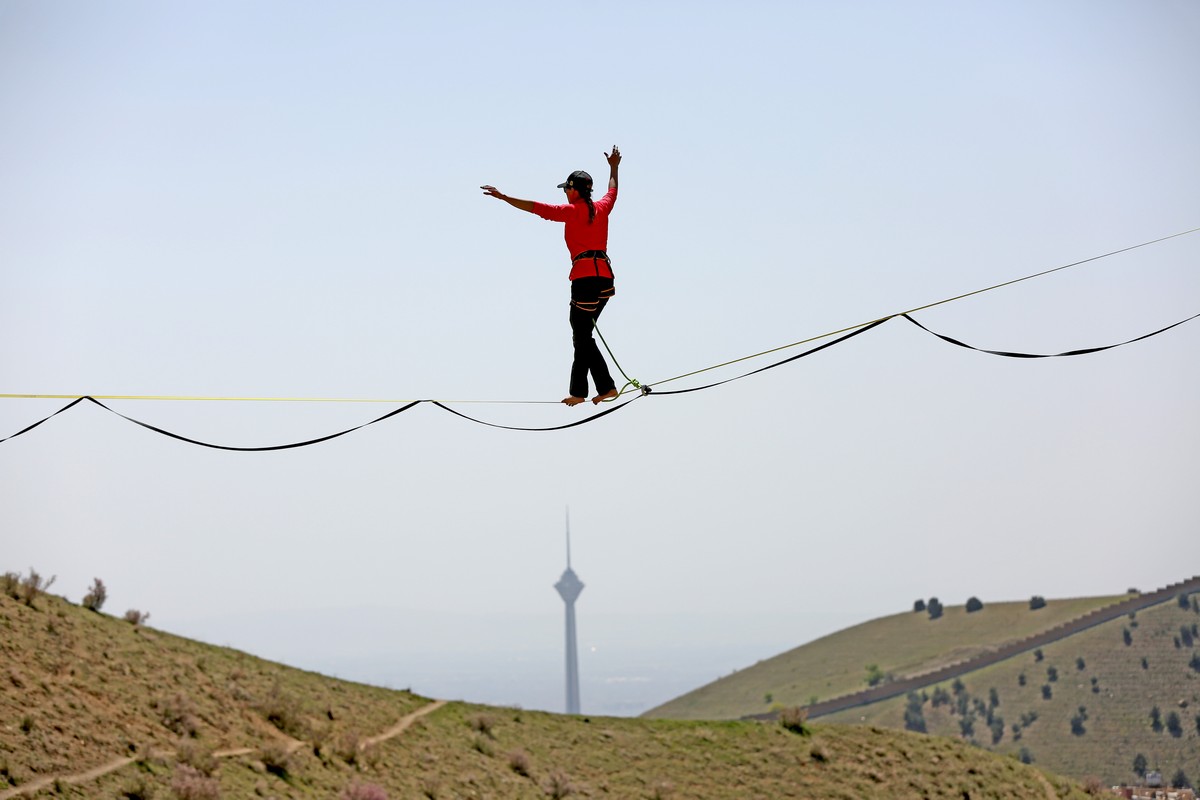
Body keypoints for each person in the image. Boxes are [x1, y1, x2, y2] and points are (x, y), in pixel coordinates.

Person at [481, 145, 622, 406]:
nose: (565, 193)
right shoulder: (601, 208)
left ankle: (591, 390)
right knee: (583, 334)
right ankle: (596, 389)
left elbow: (537, 208)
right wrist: (614, 167)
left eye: (567, 189)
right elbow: (613, 190)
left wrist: (504, 198)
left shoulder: (573, 211)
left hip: (585, 279)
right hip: (605, 279)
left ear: (574, 190)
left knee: (581, 335)